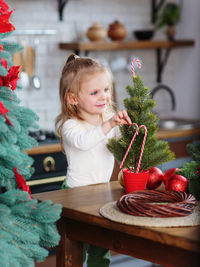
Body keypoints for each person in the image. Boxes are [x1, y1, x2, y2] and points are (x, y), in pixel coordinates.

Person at [55, 53, 132, 267]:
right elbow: (83, 142)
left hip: (102, 194)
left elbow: (121, 148)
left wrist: (127, 131)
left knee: (100, 249)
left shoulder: (107, 119)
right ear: (73, 98)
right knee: (74, 248)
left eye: (106, 90)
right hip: (75, 195)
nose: (104, 97)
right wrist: (109, 125)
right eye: (95, 92)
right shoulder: (71, 125)